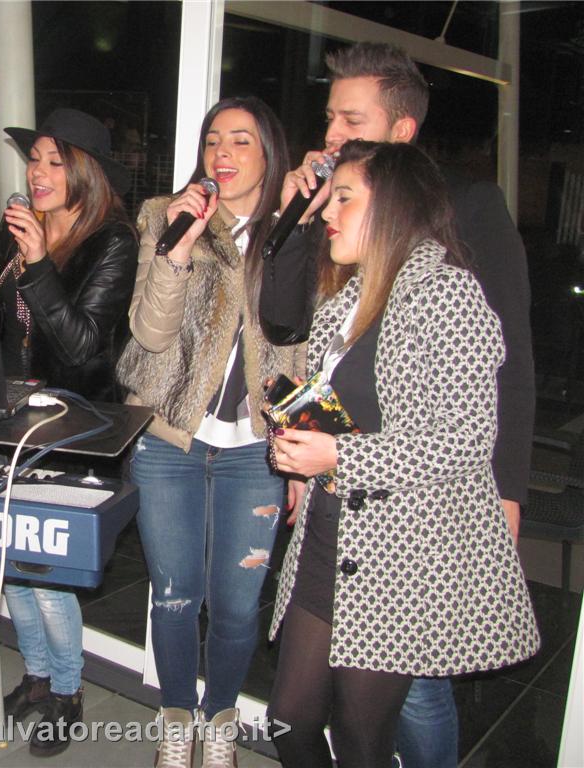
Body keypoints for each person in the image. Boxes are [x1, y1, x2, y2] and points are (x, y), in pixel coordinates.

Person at [258, 42, 535, 768]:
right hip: (331, 529)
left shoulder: (449, 278)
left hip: (407, 543)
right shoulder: (345, 289)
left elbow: (479, 414)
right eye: (330, 118)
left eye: (352, 121)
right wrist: (301, 438)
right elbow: (294, 339)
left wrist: (507, 490)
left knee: (377, 724)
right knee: (290, 722)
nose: (332, 136)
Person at [115, 95, 304, 768]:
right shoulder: (165, 216)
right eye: (213, 140)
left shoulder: (297, 233)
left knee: (236, 605)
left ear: (270, 154)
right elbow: (148, 333)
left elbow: (306, 353)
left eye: (241, 140)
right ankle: (176, 719)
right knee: (173, 596)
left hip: (256, 451)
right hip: (169, 440)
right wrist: (179, 248)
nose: (222, 153)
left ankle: (219, 718)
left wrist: (302, 460)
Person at [0, 108, 137, 758]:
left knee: (44, 571)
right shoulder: (23, 229)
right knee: (11, 565)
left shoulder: (112, 242)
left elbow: (81, 349)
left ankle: (69, 691)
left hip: (75, 430)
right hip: (11, 422)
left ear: (86, 172)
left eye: (55, 162)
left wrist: (39, 263)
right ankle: (37, 677)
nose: (38, 173)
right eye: (34, 160)